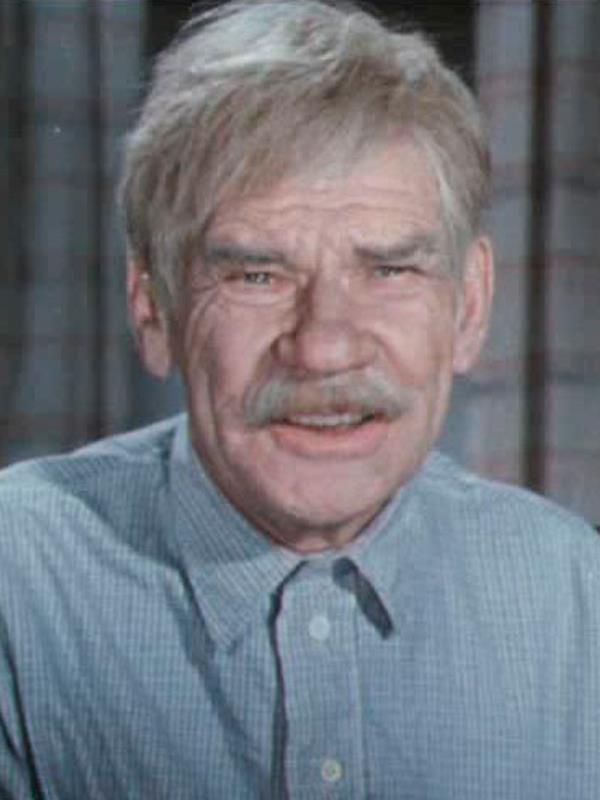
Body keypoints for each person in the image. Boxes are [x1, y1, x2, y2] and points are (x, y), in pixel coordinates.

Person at [1, 1, 598, 798]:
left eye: (389, 270)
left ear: (469, 306)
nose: (323, 346)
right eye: (257, 275)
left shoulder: (577, 596)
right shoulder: (17, 582)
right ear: (154, 310)